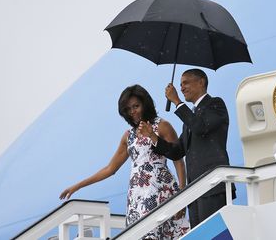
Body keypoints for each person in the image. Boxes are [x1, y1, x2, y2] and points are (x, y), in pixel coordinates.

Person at [59, 84, 189, 239]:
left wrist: (182, 195)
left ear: (145, 104)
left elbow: (178, 161)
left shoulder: (162, 126)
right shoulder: (128, 136)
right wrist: (78, 186)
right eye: (128, 109)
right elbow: (110, 169)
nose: (133, 112)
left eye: (136, 106)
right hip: (137, 196)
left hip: (162, 191)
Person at [138, 68, 236, 228]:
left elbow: (201, 127)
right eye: (180, 84)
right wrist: (153, 137)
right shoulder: (190, 118)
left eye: (186, 83)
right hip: (195, 191)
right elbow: (177, 151)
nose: (181, 88)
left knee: (216, 233)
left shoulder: (216, 104)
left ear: (201, 82)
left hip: (213, 186)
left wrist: (177, 101)